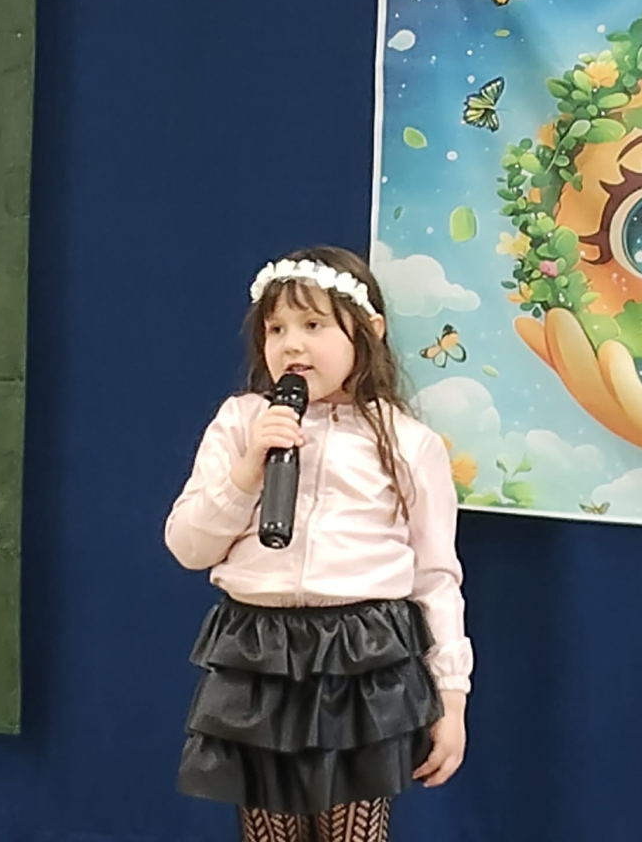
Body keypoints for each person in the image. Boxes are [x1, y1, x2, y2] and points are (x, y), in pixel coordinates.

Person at [165, 246, 472, 842]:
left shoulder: (408, 443)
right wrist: (248, 471)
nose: (292, 345)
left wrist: (452, 697)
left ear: (368, 331)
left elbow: (436, 578)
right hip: (259, 656)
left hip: (363, 661)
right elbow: (187, 546)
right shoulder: (241, 423)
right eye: (276, 329)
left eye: (312, 325)